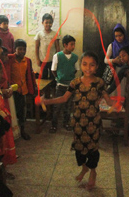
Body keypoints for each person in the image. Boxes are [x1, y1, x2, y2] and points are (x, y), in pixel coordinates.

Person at [37, 51, 115, 190]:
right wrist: (47, 101)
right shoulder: (75, 83)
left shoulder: (99, 83)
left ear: (96, 67)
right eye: (84, 64)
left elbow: (108, 101)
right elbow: (63, 99)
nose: (88, 68)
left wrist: (113, 105)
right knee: (79, 149)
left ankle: (92, 172)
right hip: (78, 123)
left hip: (94, 123)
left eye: (91, 65)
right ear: (80, 65)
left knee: (92, 149)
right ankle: (84, 168)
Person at [49, 35, 79, 133]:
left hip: (70, 86)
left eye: (74, 44)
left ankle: (66, 123)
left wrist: (69, 78)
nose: (73, 46)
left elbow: (76, 70)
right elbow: (53, 70)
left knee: (68, 106)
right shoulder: (57, 56)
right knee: (57, 106)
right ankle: (54, 125)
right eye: (71, 44)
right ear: (65, 45)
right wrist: (59, 78)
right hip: (60, 86)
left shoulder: (75, 57)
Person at [8, 39, 36, 140]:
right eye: (20, 49)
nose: (22, 51)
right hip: (12, 91)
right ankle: (12, 133)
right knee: (12, 111)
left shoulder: (27, 61)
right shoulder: (10, 59)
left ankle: (22, 130)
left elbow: (30, 75)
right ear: (15, 49)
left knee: (22, 112)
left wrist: (33, 88)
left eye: (24, 49)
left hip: (23, 90)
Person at [34, 13, 60, 79]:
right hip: (43, 60)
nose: (48, 24)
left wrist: (57, 60)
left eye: (50, 22)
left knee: (53, 78)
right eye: (46, 22)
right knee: (43, 78)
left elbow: (57, 48)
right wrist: (37, 59)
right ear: (42, 23)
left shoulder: (55, 34)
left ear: (52, 23)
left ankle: (52, 89)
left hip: (52, 60)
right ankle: (45, 89)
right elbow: (36, 48)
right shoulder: (39, 34)